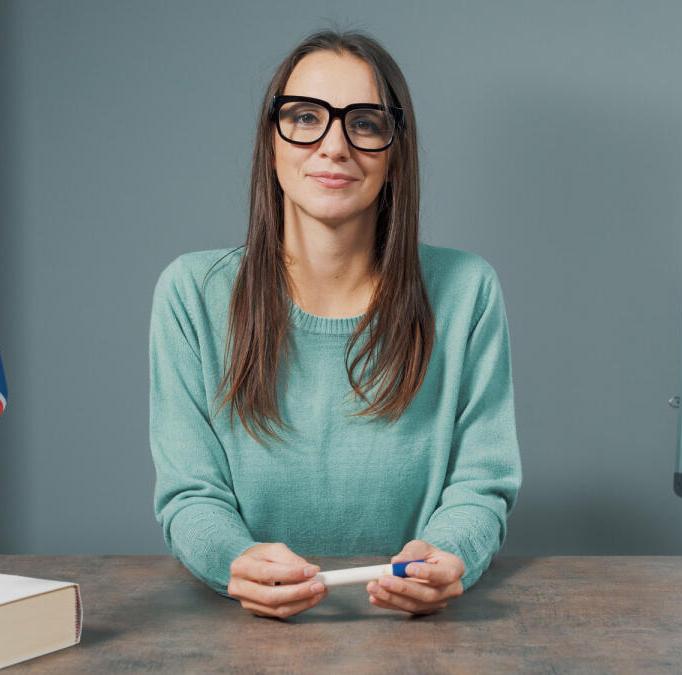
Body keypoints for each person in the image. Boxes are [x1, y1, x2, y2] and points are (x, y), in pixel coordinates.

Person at [149, 30, 521, 618]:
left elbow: (482, 483)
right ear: (271, 142)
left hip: (414, 635)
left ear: (396, 152)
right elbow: (191, 493)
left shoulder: (467, 290)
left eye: (365, 123)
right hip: (248, 637)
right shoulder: (191, 294)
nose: (334, 146)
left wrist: (449, 553)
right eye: (304, 117)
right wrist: (233, 561)